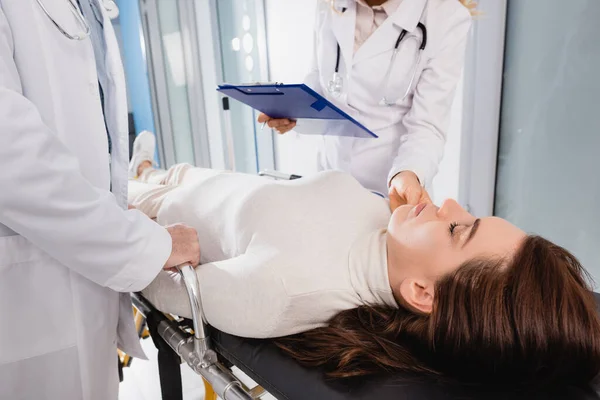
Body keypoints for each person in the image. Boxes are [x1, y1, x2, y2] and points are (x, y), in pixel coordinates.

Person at [128, 132, 600, 388]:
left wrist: (132, 230)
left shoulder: (277, 291)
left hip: (147, 214)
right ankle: (147, 167)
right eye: (469, 213)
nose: (450, 203)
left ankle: (137, 174)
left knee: (132, 183)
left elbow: (146, 276)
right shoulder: (386, 224)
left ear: (423, 292)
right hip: (204, 182)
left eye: (458, 229)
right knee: (171, 173)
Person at [0, 3, 199, 400]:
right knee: (160, 179)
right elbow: (12, 160)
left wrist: (113, 210)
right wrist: (147, 243)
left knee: (161, 178)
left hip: (83, 256)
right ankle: (144, 163)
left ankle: (143, 164)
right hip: (30, 301)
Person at [258, 0, 477, 210]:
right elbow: (322, 77)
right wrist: (295, 109)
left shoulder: (446, 17)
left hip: (390, 192)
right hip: (329, 177)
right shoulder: (329, 3)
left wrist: (408, 173)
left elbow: (427, 127)